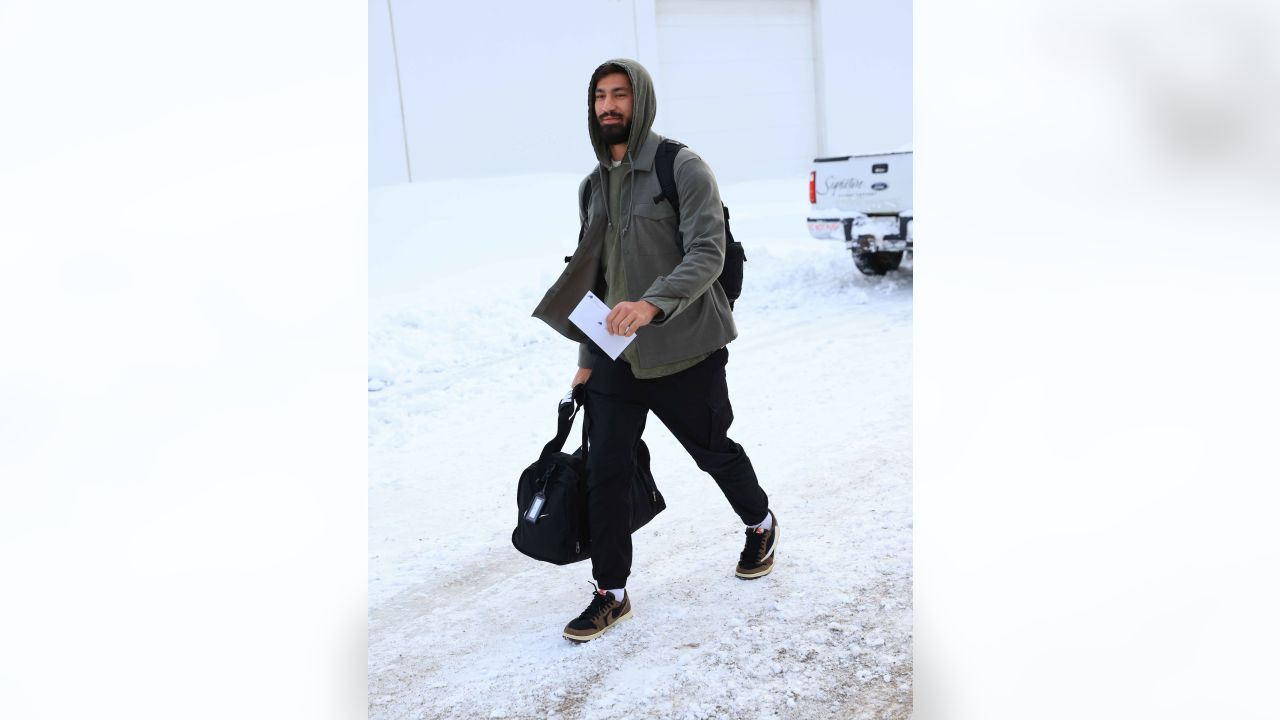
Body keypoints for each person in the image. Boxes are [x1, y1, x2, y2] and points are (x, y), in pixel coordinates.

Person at [532, 58, 776, 643]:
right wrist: (587, 362)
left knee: (712, 449)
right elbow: (596, 277)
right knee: (606, 471)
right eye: (599, 97)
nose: (609, 106)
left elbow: (707, 253)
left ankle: (760, 523)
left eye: (620, 95)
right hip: (616, 353)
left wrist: (651, 305)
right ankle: (611, 593)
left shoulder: (681, 167)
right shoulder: (593, 186)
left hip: (684, 346)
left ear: (640, 101)